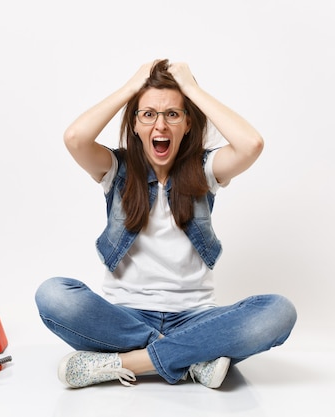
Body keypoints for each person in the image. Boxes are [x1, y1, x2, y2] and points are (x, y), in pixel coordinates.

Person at [35, 59, 297, 389]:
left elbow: (251, 144)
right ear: (134, 124)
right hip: (126, 317)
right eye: (148, 115)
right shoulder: (116, 169)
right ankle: (194, 358)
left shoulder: (205, 169)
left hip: (196, 317)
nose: (160, 125)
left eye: (173, 114)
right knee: (54, 295)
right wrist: (132, 87)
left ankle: (129, 362)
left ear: (187, 124)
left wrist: (191, 89)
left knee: (278, 312)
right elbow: (75, 138)